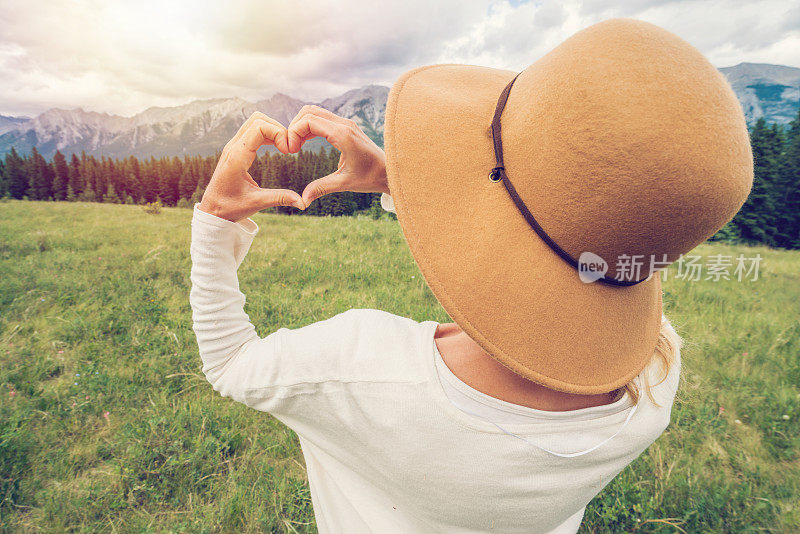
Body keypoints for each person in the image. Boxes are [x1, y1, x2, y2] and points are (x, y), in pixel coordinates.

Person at [189, 18, 753, 533]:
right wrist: (400, 184)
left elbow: (230, 362)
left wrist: (215, 222)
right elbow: (590, 241)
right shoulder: (656, 380)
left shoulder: (364, 370)